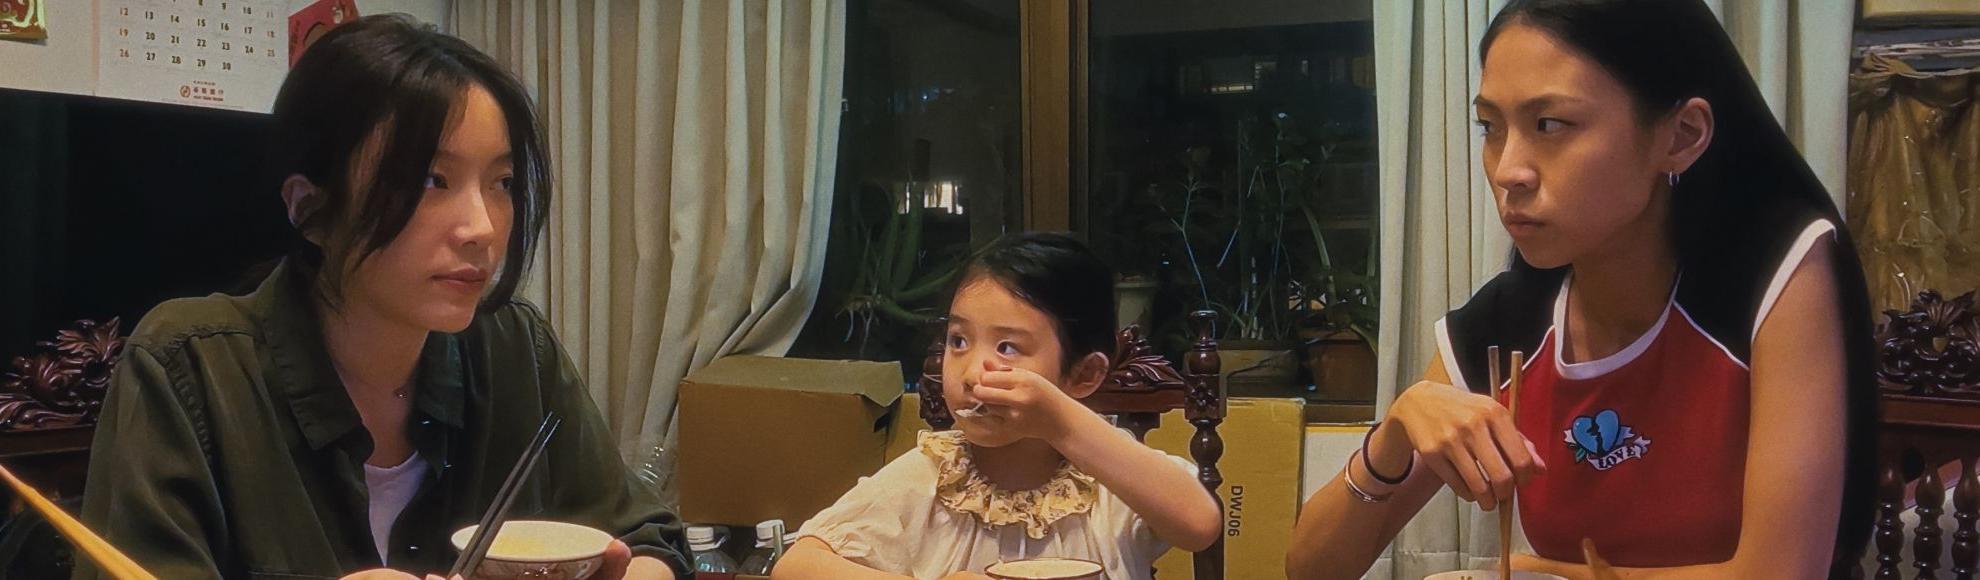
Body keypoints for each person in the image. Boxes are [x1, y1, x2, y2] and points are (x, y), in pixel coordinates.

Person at [76, 15, 688, 580]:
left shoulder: (514, 349)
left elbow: (651, 540)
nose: (481, 228)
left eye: (501, 182)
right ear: (308, 207)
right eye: (432, 180)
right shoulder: (189, 366)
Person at [1285, 1, 1877, 578]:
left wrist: (1539, 570)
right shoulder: (1510, 321)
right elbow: (1310, 568)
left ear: (1681, 136)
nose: (1508, 170)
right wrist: (1393, 435)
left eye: (1550, 124)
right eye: (1490, 126)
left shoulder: (1775, 271)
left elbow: (1781, 571)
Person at [773, 233, 1221, 580]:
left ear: (1083, 375)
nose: (970, 373)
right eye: (958, 341)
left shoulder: (1107, 473)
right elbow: (794, 567)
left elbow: (1199, 524)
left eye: (1008, 347)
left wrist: (1062, 423)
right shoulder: (934, 475)